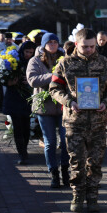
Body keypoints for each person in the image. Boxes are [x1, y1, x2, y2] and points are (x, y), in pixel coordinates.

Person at [49, 28, 107, 213]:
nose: (89, 50)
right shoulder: (65, 64)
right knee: (77, 162)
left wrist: (106, 103)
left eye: (91, 46)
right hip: (75, 121)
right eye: (85, 47)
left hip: (97, 121)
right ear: (76, 44)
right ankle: (77, 196)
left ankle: (93, 197)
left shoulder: (104, 63)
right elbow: (54, 88)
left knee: (95, 163)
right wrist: (69, 102)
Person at [27, 33, 70, 188]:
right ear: (44, 44)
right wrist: (51, 76)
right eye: (49, 42)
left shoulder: (65, 58)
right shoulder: (35, 60)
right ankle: (54, 173)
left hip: (62, 105)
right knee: (50, 142)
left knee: (66, 142)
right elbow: (32, 80)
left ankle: (65, 170)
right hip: (45, 107)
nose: (52, 45)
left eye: (55, 42)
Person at [3, 41, 36, 164]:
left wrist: (30, 82)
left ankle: (24, 149)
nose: (28, 54)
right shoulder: (13, 61)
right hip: (13, 98)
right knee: (18, 127)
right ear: (22, 51)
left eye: (31, 52)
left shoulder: (34, 62)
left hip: (26, 99)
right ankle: (22, 153)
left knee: (26, 127)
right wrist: (10, 82)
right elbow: (2, 78)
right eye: (27, 52)